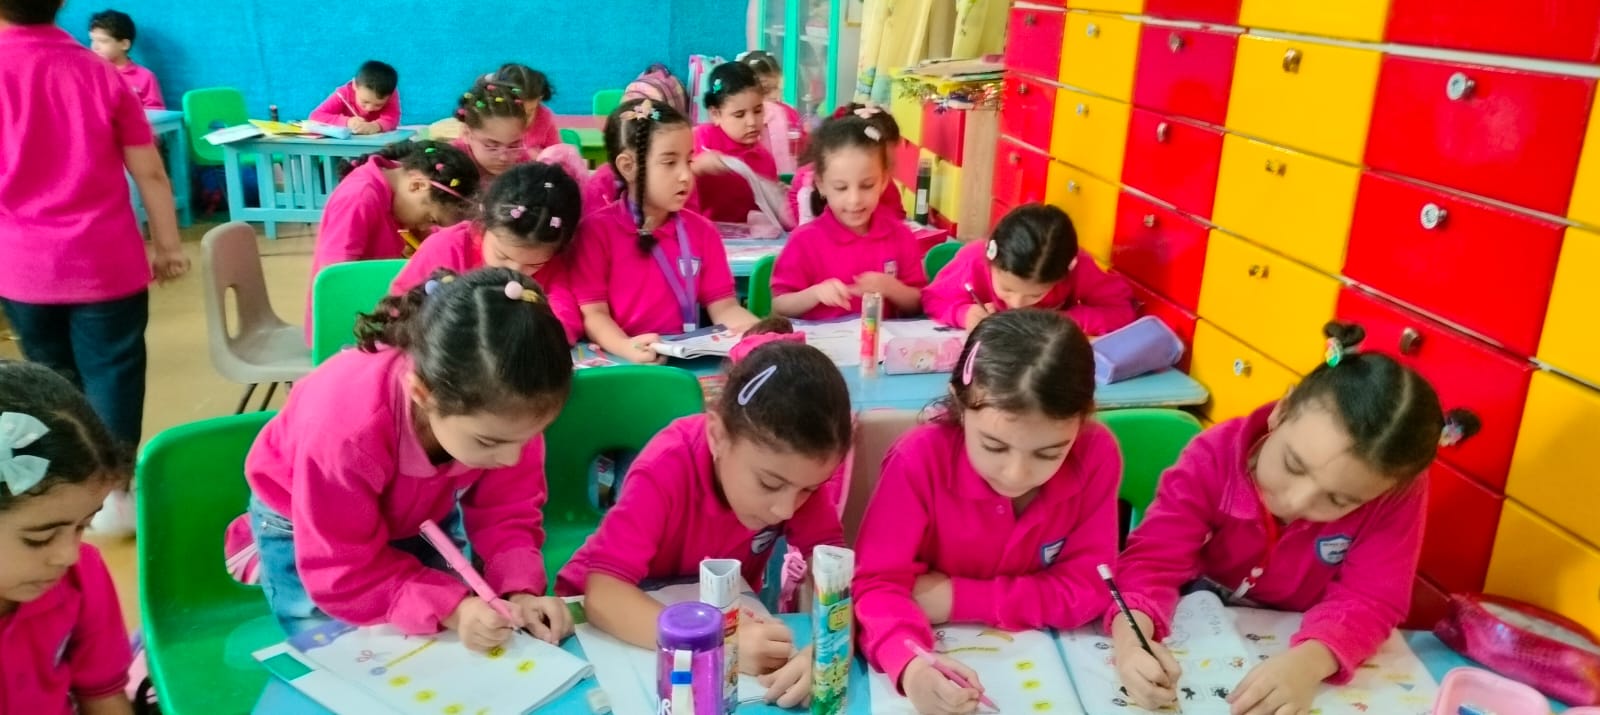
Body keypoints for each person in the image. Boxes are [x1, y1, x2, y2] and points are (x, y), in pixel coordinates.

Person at [1109, 323, 1475, 715]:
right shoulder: (1214, 458)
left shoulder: (1395, 492)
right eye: (1293, 464)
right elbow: (1153, 562)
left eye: (1339, 500)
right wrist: (1132, 642)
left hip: (1297, 636)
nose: (1297, 501)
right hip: (1197, 620)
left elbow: (1371, 599)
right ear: (1281, 411)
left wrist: (1309, 664)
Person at [238, 268, 576, 649]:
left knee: (440, 635)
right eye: (489, 442)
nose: (513, 459)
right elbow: (343, 570)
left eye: (527, 438)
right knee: (342, 652)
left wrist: (519, 590)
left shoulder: (506, 416)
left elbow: (507, 511)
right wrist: (451, 608)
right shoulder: (345, 431)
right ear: (422, 394)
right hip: (311, 525)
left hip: (418, 511)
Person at [558, 333, 853, 708]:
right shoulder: (666, 468)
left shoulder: (792, 474)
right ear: (717, 436)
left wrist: (830, 648)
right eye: (769, 484)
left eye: (809, 490)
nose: (786, 509)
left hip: (700, 624)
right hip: (594, 627)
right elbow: (604, 597)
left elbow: (836, 578)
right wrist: (720, 643)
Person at [854, 309, 1121, 715]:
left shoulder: (1096, 455)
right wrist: (910, 667)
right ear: (960, 406)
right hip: (932, 653)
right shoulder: (919, 460)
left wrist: (956, 598)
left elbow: (1089, 587)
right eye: (994, 446)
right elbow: (875, 585)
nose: (1016, 474)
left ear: (1082, 421)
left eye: (1049, 453)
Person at [0, 0, 190, 536]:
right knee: (114, 376)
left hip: (21, 266)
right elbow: (149, 171)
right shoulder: (99, 72)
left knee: (50, 381)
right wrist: (168, 246)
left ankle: (61, 495)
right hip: (105, 262)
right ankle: (116, 494)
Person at [573, 99, 758, 364]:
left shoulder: (702, 232)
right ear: (628, 167)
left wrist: (760, 334)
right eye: (670, 162)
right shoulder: (595, 232)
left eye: (689, 161)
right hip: (621, 362)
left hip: (684, 364)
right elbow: (594, 314)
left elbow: (725, 307)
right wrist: (626, 347)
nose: (685, 176)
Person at [0, 360, 137, 715]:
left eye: (83, 526)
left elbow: (103, 694)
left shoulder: (81, 576)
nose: (69, 555)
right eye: (40, 538)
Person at [392, 162, 585, 345]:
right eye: (502, 256)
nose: (515, 272)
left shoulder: (553, 262)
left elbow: (565, 321)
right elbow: (402, 308)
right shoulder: (448, 248)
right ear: (482, 224)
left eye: (534, 265)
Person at [770, 114, 925, 321]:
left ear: (883, 181)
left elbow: (920, 303)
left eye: (867, 186)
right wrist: (815, 294)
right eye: (841, 188)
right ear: (821, 184)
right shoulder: (804, 241)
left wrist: (892, 288)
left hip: (880, 340)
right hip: (821, 341)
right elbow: (780, 305)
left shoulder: (900, 236)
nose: (854, 200)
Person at [922, 203, 1136, 334]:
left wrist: (1063, 320)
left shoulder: (1079, 268)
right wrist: (963, 314)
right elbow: (932, 299)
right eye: (1007, 289)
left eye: (1035, 295)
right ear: (991, 260)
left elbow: (1122, 311)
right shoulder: (974, 260)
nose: (1017, 304)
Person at [87, 9, 161, 108]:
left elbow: (156, 113)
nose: (95, 47)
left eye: (103, 41)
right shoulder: (89, 74)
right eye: (92, 40)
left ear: (124, 44)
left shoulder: (145, 77)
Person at [309, 60, 401, 134]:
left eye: (378, 105)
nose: (369, 108)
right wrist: (347, 122)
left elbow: (393, 117)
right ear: (354, 85)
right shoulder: (343, 94)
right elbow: (316, 116)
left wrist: (376, 126)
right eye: (365, 102)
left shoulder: (390, 93)